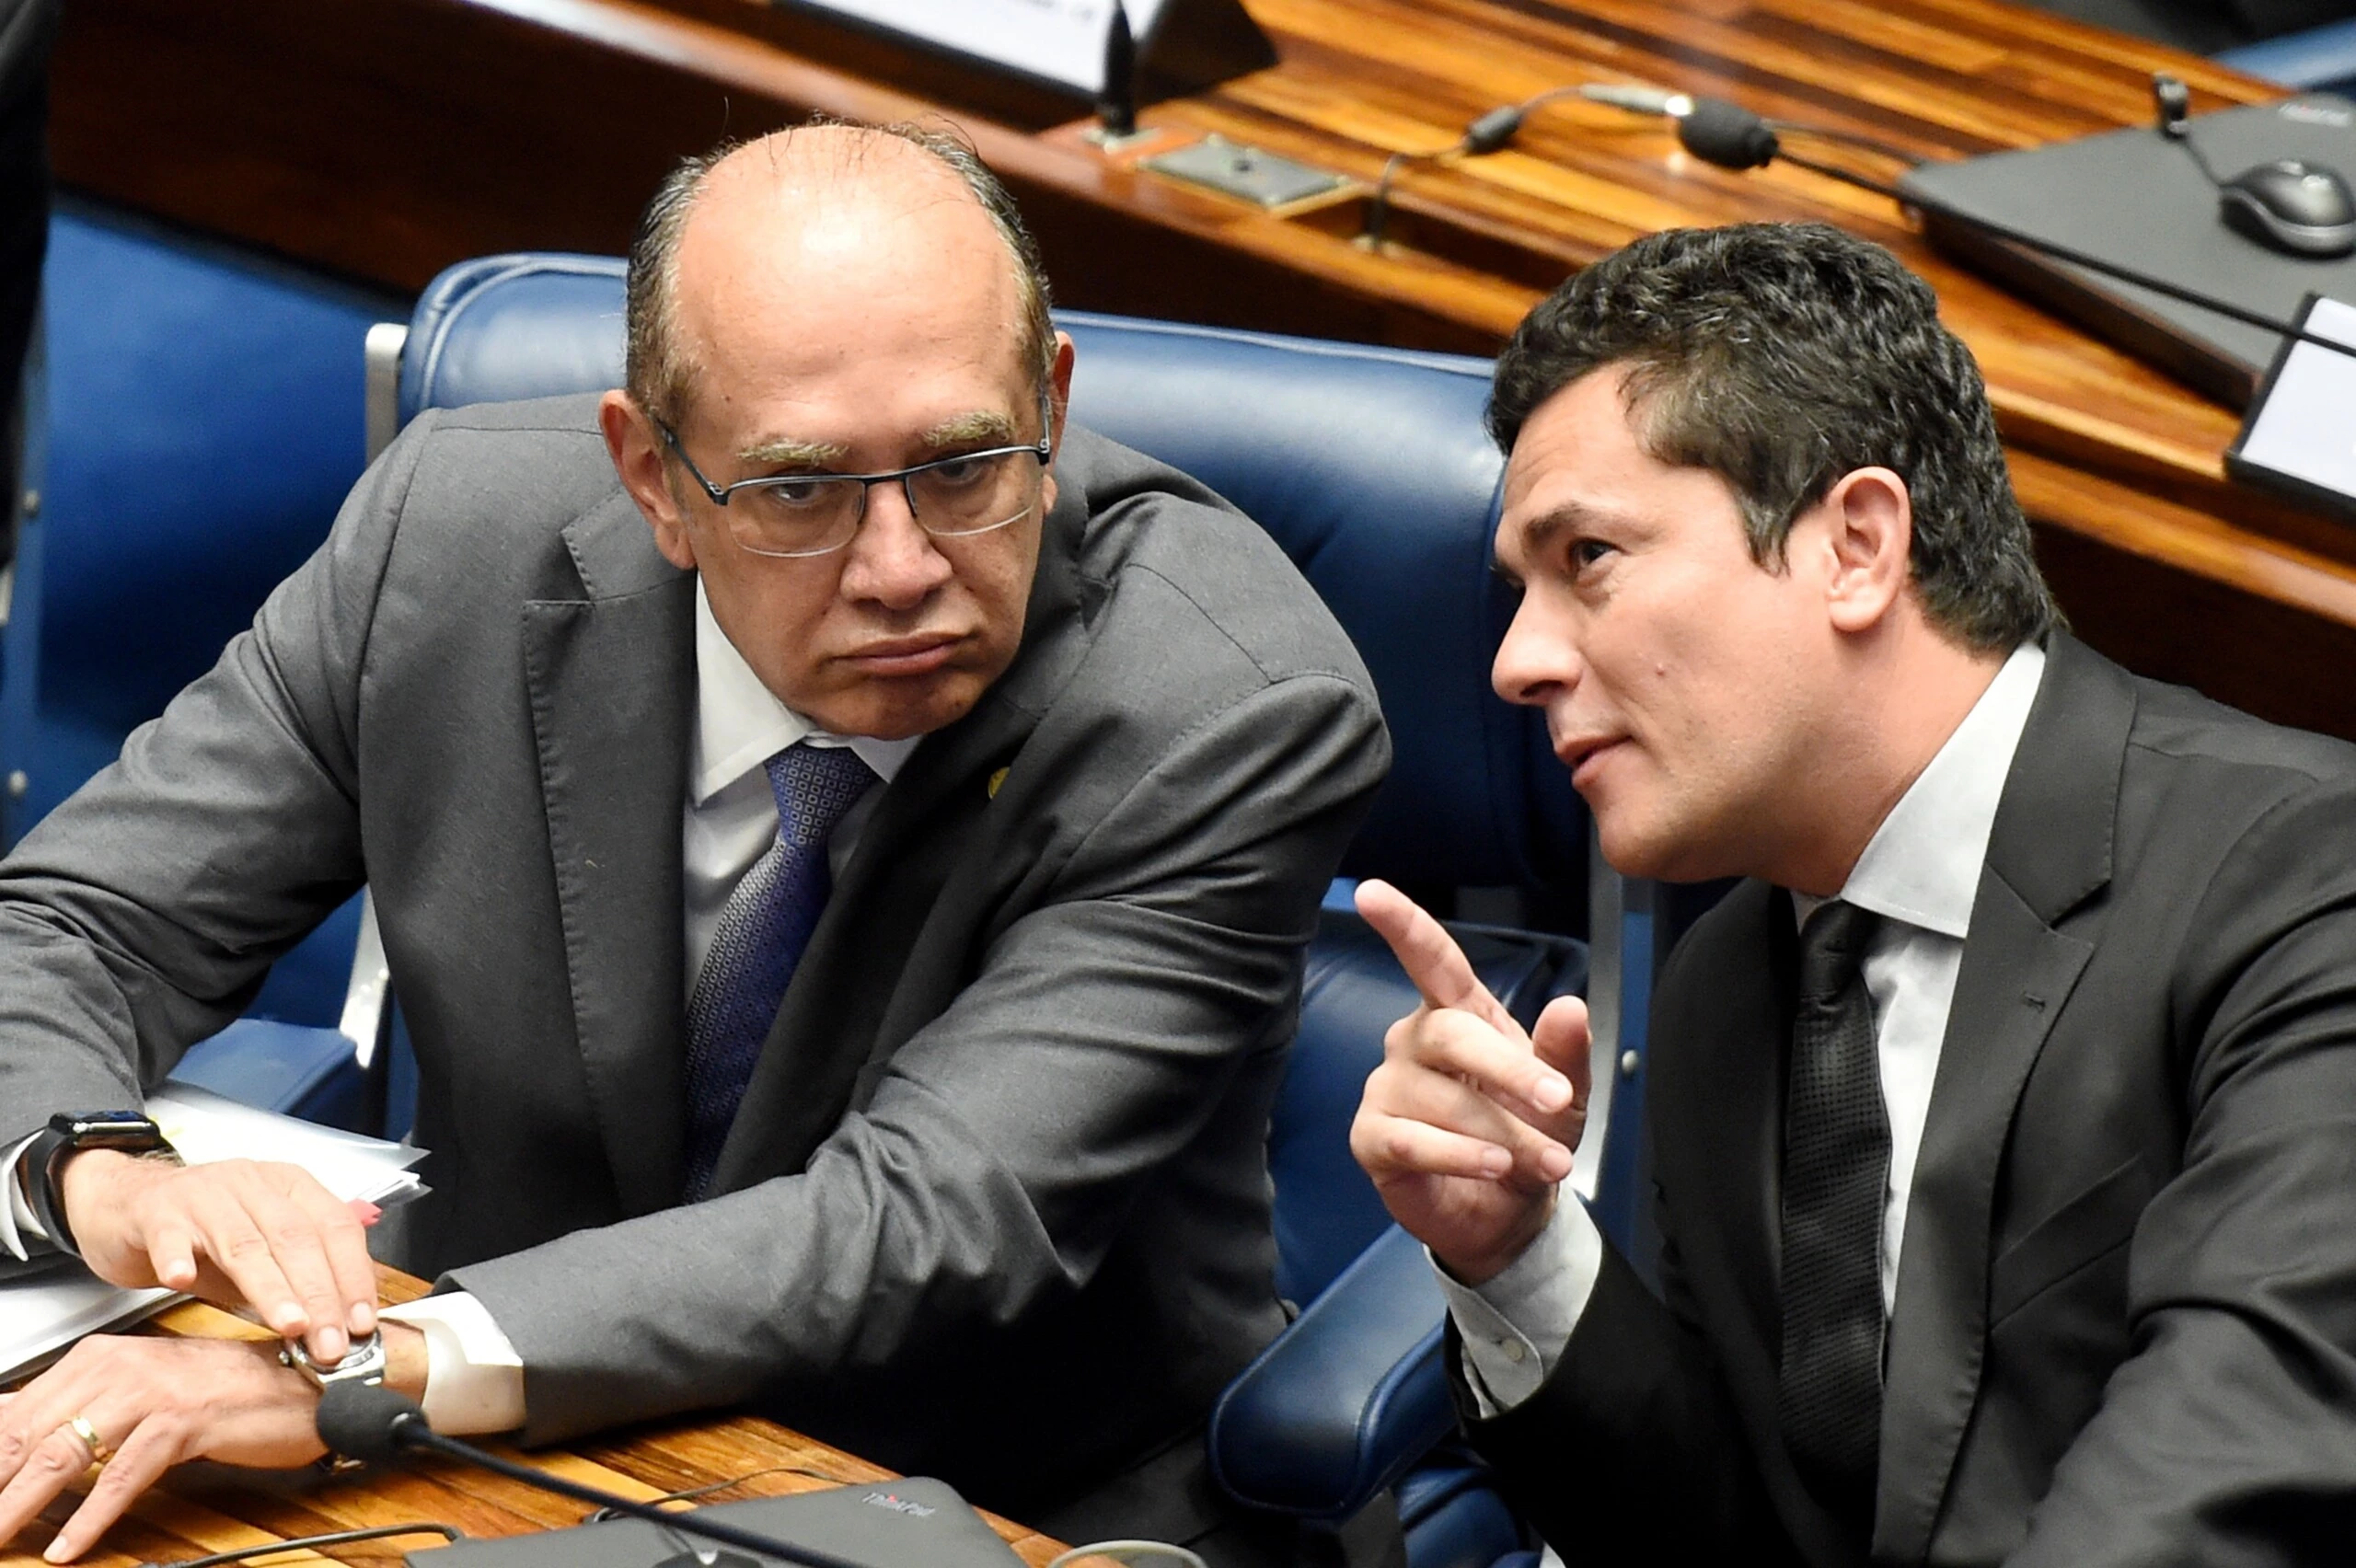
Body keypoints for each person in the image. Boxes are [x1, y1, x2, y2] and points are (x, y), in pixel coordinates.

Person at [0, 121, 1389, 1564]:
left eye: (969, 465)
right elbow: (72, 928)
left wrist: (345, 1378)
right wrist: (96, 1172)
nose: (904, 568)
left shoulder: (1224, 703)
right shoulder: (447, 549)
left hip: (1009, 1500)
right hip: (475, 1469)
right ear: (652, 478)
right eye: (799, 490)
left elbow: (918, 1219)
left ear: (1051, 400)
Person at [1350, 221, 2356, 1566]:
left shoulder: (2298, 876)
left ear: (1857, 546)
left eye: (1586, 558)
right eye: (1519, 592)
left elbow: (2244, 1464)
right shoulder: (1728, 986)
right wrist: (1512, 1246)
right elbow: (1734, 1537)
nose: (1517, 663)